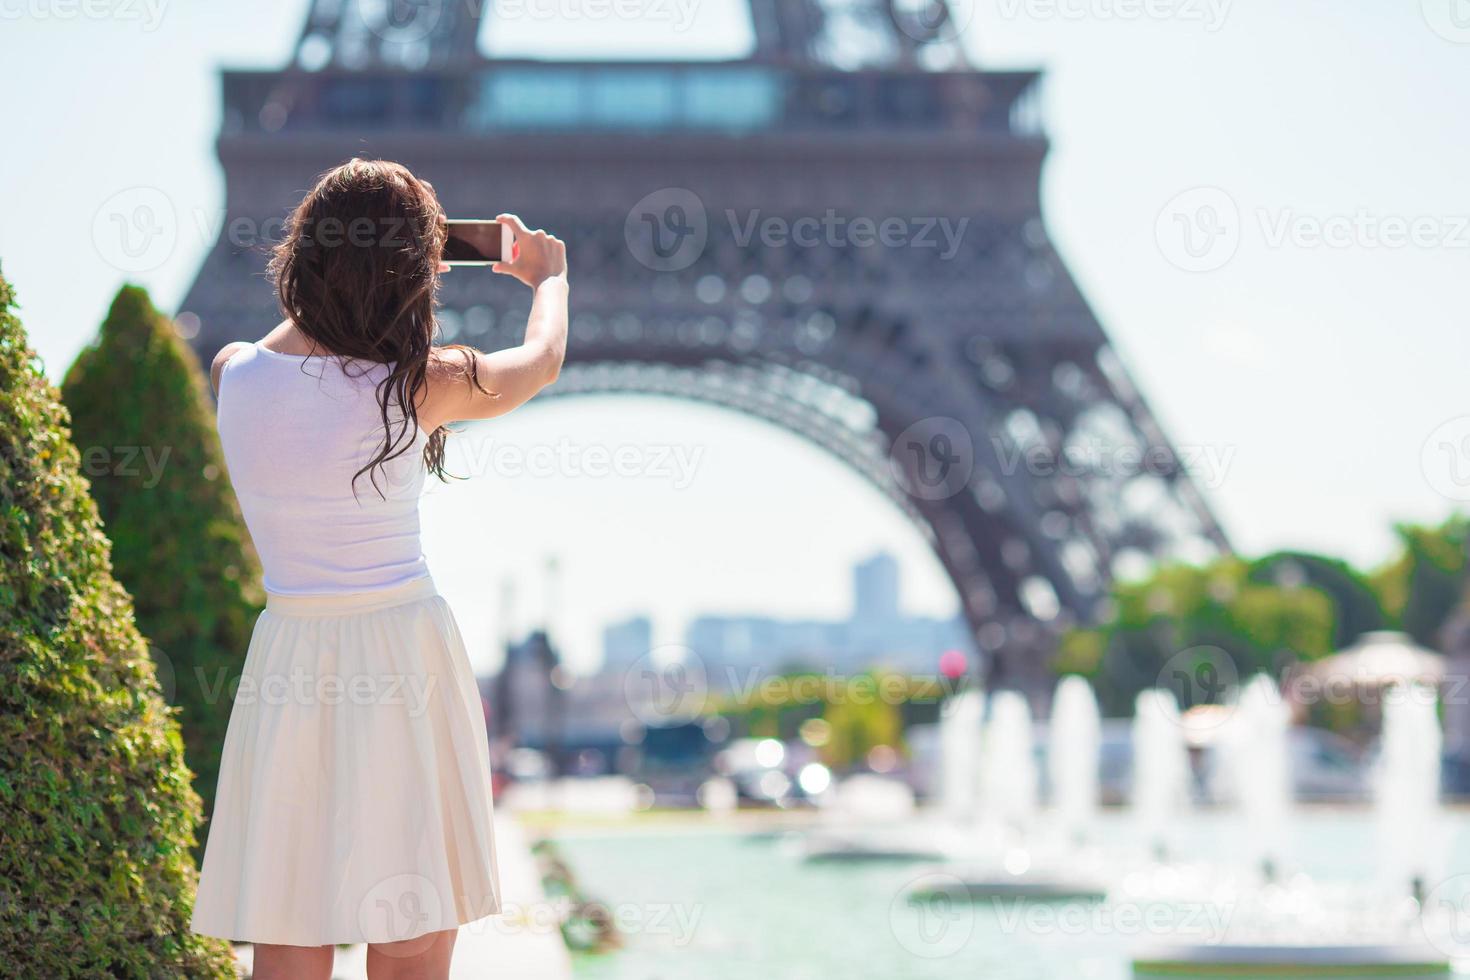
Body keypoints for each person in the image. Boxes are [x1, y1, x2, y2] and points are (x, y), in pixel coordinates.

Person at [191, 158, 568, 980]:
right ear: (408, 272)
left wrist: (373, 263)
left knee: (290, 927)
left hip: (289, 657)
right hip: (403, 660)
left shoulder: (232, 374)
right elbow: (540, 361)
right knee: (411, 938)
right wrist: (548, 277)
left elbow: (293, 356)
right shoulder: (417, 385)